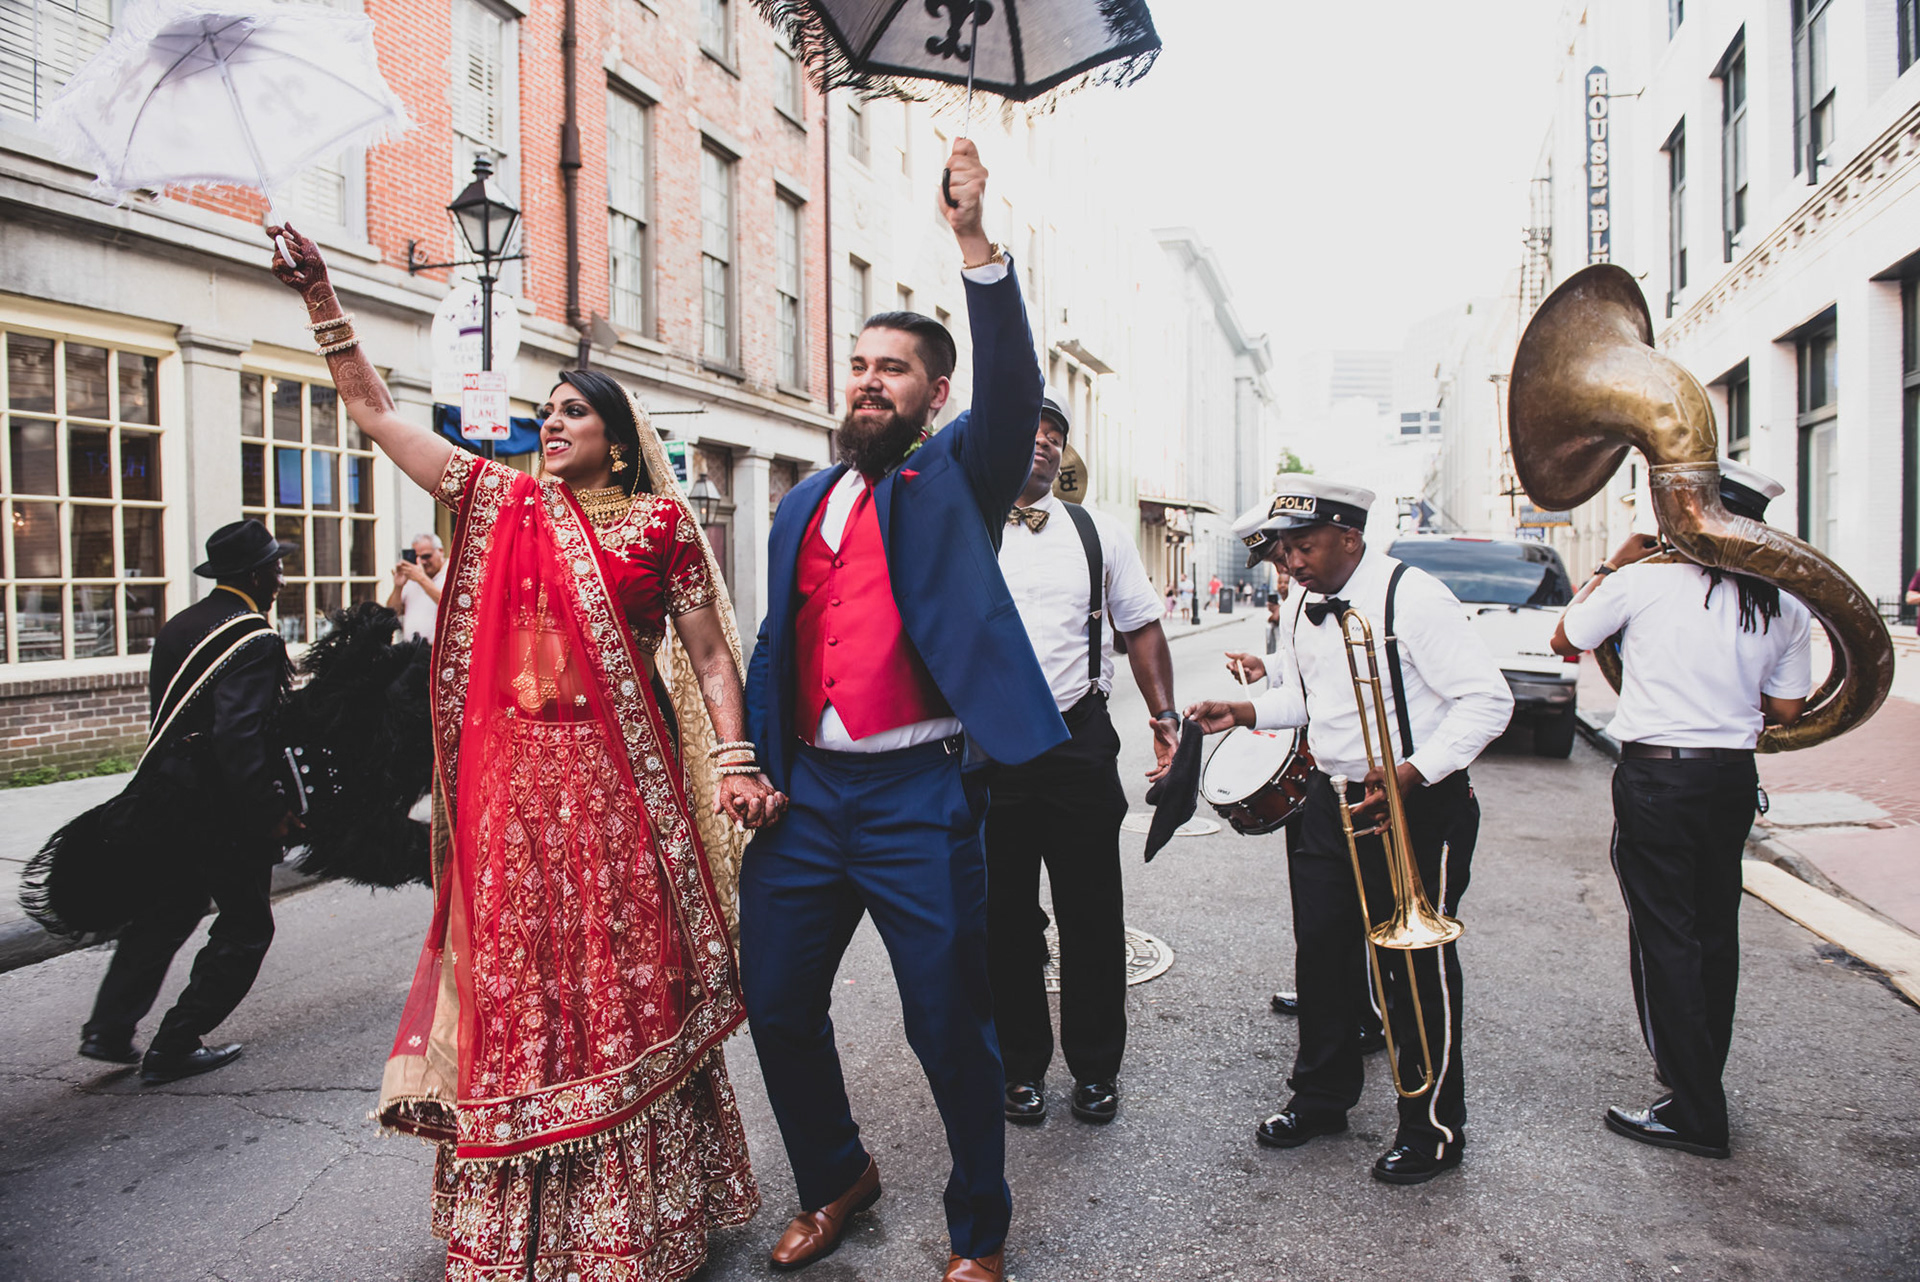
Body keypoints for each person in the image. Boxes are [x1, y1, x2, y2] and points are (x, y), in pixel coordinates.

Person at [269, 224, 782, 1282]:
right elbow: (375, 415)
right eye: (545, 414)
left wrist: (733, 757)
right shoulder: (506, 505)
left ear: (620, 434)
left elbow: (710, 656)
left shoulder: (658, 529)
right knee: (520, 986)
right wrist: (324, 302)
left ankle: (635, 1223)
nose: (551, 426)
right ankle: (521, 1230)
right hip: (511, 793)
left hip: (615, 789)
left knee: (622, 978)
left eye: (573, 412)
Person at [740, 139, 1059, 1282]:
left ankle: (980, 1228)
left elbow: (1015, 383)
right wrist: (752, 755)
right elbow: (778, 640)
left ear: (934, 395)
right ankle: (836, 1176)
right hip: (809, 797)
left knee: (945, 1029)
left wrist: (975, 244)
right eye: (860, 366)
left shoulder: (957, 476)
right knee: (773, 1001)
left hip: (919, 797)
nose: (870, 382)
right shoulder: (801, 503)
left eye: (896, 371)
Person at [1186, 476, 1512, 1185]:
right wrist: (1241, 712)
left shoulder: (1413, 597)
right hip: (1332, 801)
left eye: (1304, 547)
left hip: (1415, 803)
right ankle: (1322, 1097)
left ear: (1350, 538)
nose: (1291, 562)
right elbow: (1306, 699)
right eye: (1284, 551)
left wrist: (1413, 772)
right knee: (1324, 954)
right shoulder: (1305, 601)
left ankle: (1431, 1129)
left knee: (1413, 968)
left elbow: (1488, 701)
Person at [1552, 461, 1810, 1160]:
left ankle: (1694, 1108)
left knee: (1664, 934)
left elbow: (1565, 638)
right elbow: (1786, 710)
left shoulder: (1642, 581)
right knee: (1713, 931)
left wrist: (1615, 560)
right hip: (1730, 779)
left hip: (1659, 779)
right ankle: (1695, 1074)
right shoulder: (1784, 602)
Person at [988, 396, 1178, 1130]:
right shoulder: (967, 531)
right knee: (1001, 918)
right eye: (1028, 431)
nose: (1041, 444)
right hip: (989, 750)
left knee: (1092, 914)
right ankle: (1019, 1068)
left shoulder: (1098, 534)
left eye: (1055, 437)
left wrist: (1164, 720)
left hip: (1078, 742)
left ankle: (1096, 1069)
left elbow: (1143, 628)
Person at [78, 518, 297, 1084]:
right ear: (255, 573)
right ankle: (175, 1043)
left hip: (166, 798)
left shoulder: (181, 626)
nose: (281, 578)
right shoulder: (254, 638)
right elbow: (239, 738)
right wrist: (269, 811)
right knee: (247, 927)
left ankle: (108, 1028)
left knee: (166, 910)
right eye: (275, 567)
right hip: (219, 810)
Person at [385, 533, 445, 642]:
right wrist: (398, 587)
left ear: (440, 551)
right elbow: (391, 613)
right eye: (417, 557)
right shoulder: (411, 577)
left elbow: (449, 605)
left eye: (426, 556)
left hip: (439, 651)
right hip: (412, 650)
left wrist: (421, 579)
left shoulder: (453, 574)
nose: (422, 562)